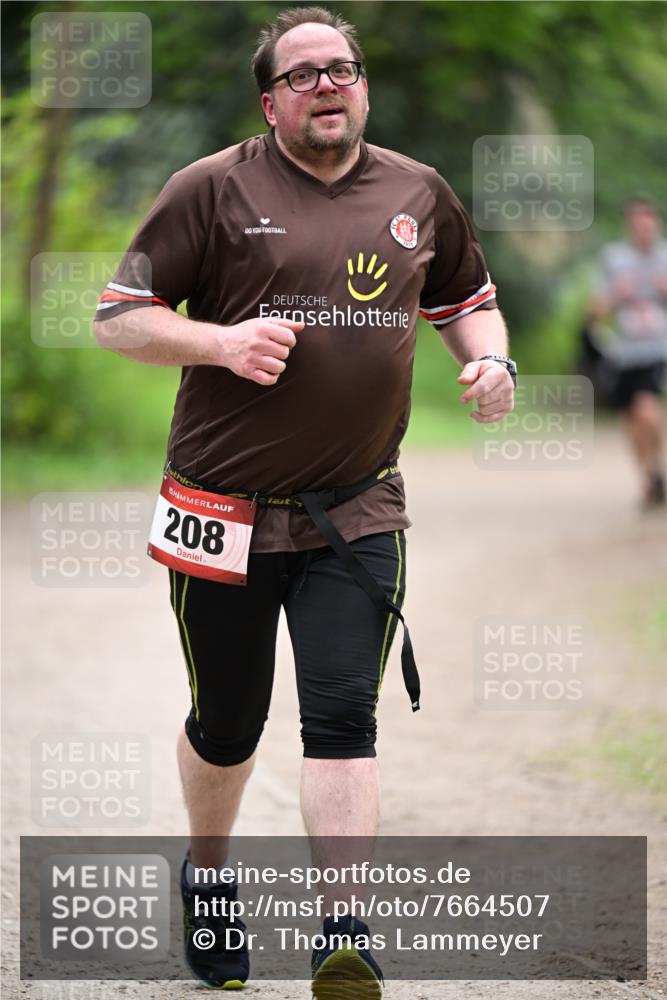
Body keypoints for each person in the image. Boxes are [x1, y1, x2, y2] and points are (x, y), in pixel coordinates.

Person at [94, 6, 515, 994]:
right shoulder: (210, 189)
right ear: (271, 99)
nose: (328, 83)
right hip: (220, 507)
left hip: (356, 510)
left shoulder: (418, 190)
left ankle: (343, 930)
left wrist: (491, 361)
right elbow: (119, 320)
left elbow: (467, 300)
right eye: (305, 73)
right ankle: (208, 877)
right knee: (228, 719)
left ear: (363, 86)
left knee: (341, 714)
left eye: (343, 68)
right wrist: (220, 342)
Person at [588, 196, 667, 509]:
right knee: (632, 419)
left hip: (657, 348)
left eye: (649, 223)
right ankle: (648, 477)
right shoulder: (614, 258)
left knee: (647, 408)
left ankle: (657, 465)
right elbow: (594, 311)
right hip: (623, 352)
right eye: (638, 224)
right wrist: (616, 295)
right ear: (630, 226)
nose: (644, 230)